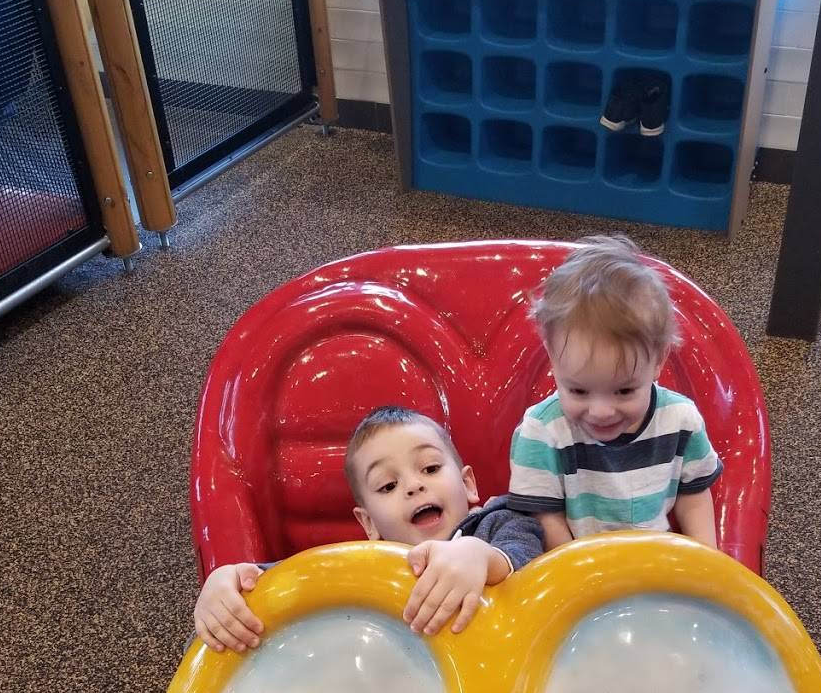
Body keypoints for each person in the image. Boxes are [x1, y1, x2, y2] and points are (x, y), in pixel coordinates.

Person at [193, 406, 543, 652]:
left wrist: (480, 556)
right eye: (388, 486)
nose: (413, 486)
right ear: (369, 523)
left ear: (467, 484)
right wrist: (231, 582)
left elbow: (532, 559)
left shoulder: (496, 523)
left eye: (430, 468)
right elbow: (304, 580)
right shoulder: (366, 563)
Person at [507, 234, 722, 550]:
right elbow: (545, 520)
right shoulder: (542, 431)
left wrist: (707, 562)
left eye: (624, 391)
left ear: (658, 361)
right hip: (577, 567)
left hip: (658, 563)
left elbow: (694, 496)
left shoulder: (681, 420)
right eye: (579, 390)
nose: (601, 411)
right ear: (553, 359)